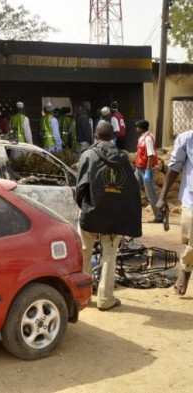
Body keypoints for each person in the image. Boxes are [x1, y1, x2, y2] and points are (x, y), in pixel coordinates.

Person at [75, 122, 142, 311]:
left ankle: (83, 297)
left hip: (91, 213)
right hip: (114, 216)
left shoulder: (87, 155)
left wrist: (84, 208)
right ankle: (106, 299)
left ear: (95, 136)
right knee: (109, 257)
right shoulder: (123, 158)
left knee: (85, 253)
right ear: (113, 137)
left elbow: (81, 187)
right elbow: (131, 190)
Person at [157, 130, 193, 295]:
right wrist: (163, 196)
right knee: (191, 244)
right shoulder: (186, 139)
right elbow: (173, 169)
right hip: (192, 201)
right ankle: (185, 273)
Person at [134, 120, 163, 223]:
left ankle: (159, 216)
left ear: (142, 128)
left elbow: (151, 155)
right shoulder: (142, 138)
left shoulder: (148, 139)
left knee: (150, 194)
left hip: (146, 169)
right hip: (139, 168)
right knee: (132, 188)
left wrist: (147, 171)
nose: (136, 128)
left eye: (138, 126)